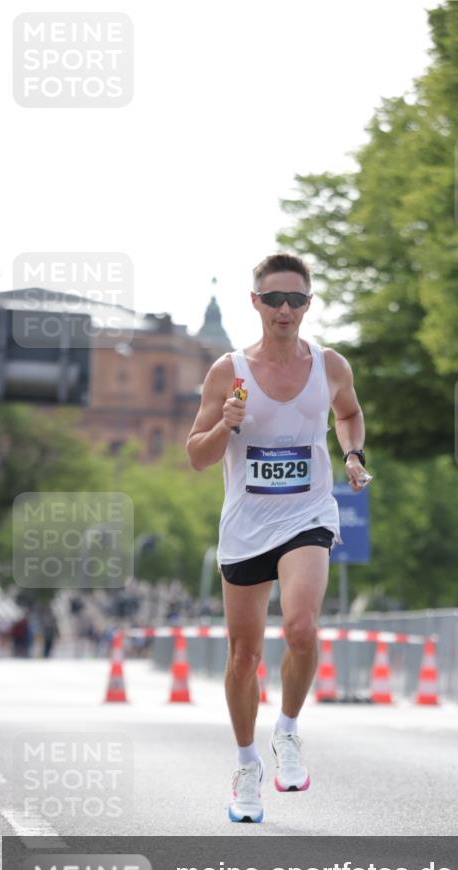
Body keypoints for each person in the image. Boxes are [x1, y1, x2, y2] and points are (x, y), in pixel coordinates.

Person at [187, 252, 370, 823]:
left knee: (300, 627)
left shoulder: (330, 365)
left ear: (308, 305)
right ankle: (246, 766)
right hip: (245, 525)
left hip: (307, 515)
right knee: (243, 657)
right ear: (256, 303)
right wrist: (225, 425)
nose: (285, 310)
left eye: (295, 299)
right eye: (274, 299)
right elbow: (197, 456)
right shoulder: (228, 372)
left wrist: (354, 455)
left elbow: (349, 414)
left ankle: (286, 731)